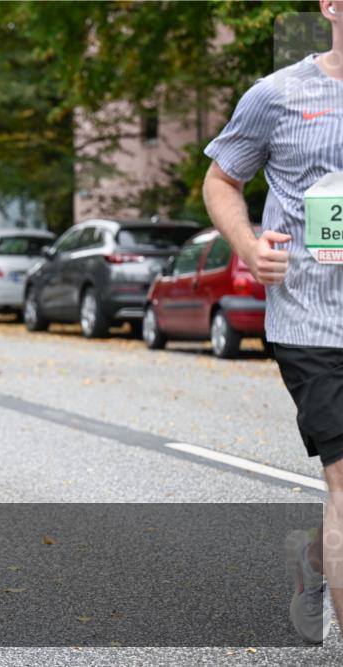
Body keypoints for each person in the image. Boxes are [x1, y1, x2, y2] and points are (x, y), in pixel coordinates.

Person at [202, 0, 343, 644]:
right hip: (315, 321)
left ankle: (312, 560)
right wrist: (249, 244)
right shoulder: (279, 95)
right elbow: (221, 180)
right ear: (329, 6)